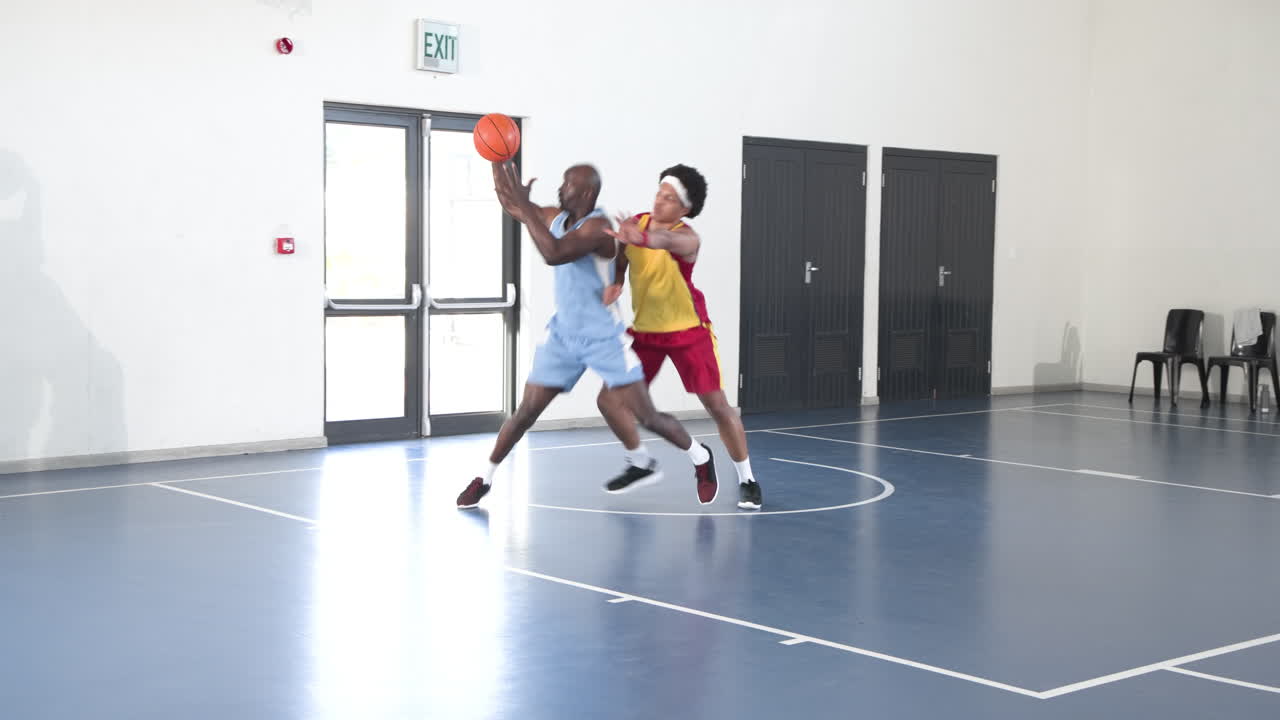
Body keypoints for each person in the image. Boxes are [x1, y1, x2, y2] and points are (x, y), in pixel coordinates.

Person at [456, 161, 717, 509]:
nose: (560, 189)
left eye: (568, 185)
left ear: (587, 193)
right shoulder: (557, 217)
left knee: (647, 416)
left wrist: (524, 205)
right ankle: (484, 478)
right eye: (562, 183)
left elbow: (554, 253)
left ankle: (700, 457)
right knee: (526, 412)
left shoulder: (598, 226)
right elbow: (512, 203)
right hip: (563, 336)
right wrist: (498, 159)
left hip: (603, 338)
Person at [597, 164, 763, 510]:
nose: (660, 202)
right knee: (610, 401)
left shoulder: (687, 238)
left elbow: (660, 240)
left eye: (670, 199)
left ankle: (747, 479)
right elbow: (624, 255)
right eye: (659, 193)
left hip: (688, 331)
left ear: (684, 209)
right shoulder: (636, 224)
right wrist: (617, 281)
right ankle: (663, 460)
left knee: (717, 406)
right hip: (645, 334)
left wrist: (637, 238)